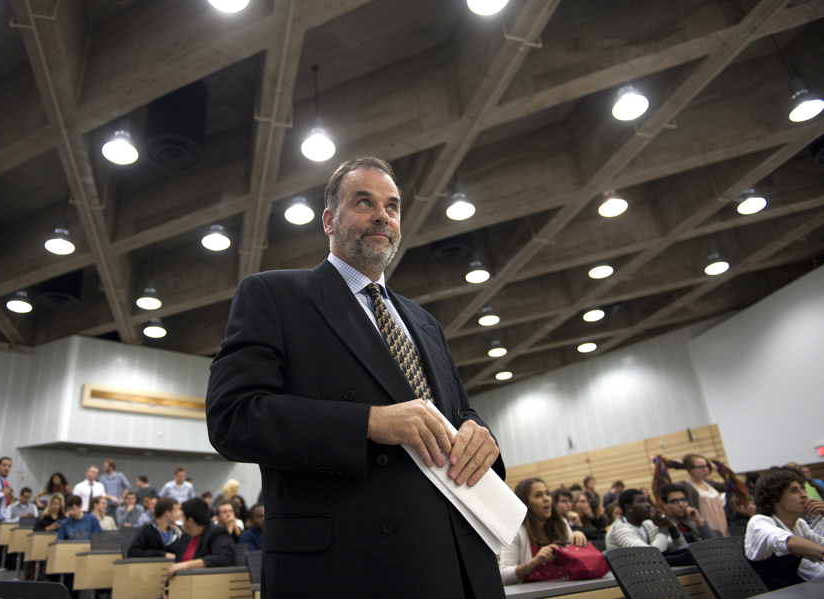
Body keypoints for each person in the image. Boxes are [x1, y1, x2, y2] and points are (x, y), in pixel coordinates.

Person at [206, 156, 506, 598]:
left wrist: (479, 434)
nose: (382, 215)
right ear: (329, 220)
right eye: (364, 202)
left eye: (392, 206)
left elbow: (460, 411)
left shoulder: (425, 323)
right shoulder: (274, 295)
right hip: (352, 567)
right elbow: (233, 417)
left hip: (457, 562)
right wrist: (368, 421)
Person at [745, 467, 824, 590]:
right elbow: (785, 540)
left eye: (802, 488)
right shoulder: (759, 522)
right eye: (794, 490)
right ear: (774, 497)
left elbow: (820, 547)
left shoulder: (799, 525)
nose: (804, 495)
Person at [499, 478, 587, 585]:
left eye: (547, 493)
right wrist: (533, 563)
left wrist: (577, 537)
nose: (546, 499)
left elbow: (577, 561)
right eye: (538, 495)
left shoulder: (562, 523)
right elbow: (504, 576)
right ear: (526, 503)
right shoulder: (516, 531)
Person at [166, 498, 236, 578]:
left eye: (183, 518)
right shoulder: (185, 536)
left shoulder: (218, 533)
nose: (182, 523)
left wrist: (186, 565)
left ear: (190, 521)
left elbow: (221, 558)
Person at [605, 489, 687, 552]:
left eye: (647, 501)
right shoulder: (620, 528)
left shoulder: (647, 524)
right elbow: (649, 554)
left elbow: (680, 548)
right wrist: (663, 528)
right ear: (628, 507)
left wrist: (672, 528)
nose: (648, 505)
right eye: (641, 501)